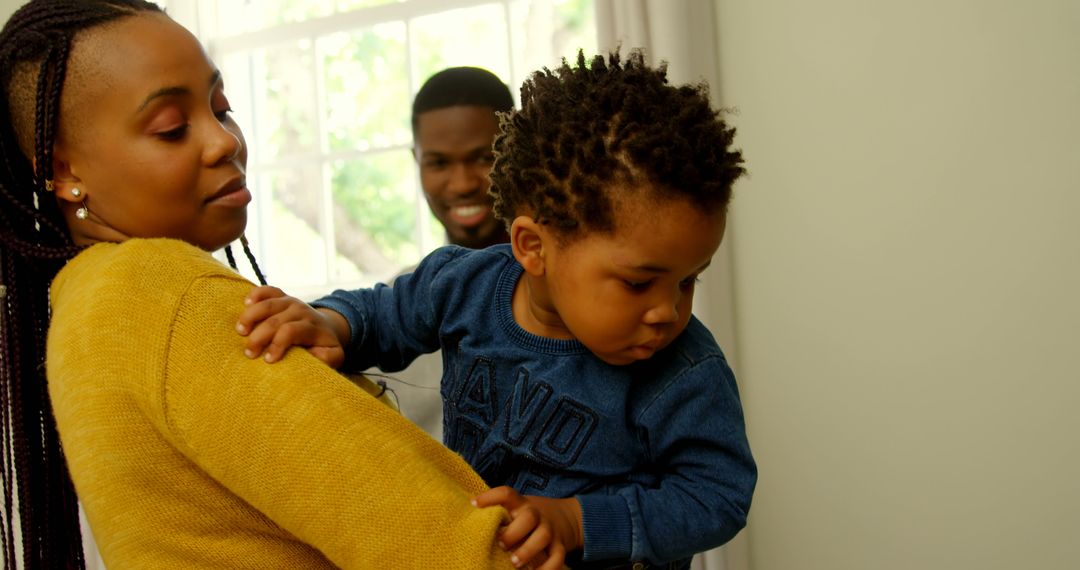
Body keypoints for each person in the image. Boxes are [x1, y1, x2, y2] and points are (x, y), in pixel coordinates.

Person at [0, 1, 530, 567]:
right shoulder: (161, 292)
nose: (225, 140)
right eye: (172, 128)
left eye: (221, 108)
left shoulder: (83, 304)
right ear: (65, 171)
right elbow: (444, 547)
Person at [238, 51, 758, 569]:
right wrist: (331, 322)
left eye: (690, 279)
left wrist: (577, 521)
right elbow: (383, 314)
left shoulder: (683, 371)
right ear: (533, 248)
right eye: (638, 283)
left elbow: (717, 494)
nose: (667, 312)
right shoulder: (462, 284)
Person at [378, 66, 515, 439]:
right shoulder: (393, 310)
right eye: (439, 163)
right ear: (416, 160)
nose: (462, 184)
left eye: (485, 158)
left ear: (518, 148)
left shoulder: (578, 287)